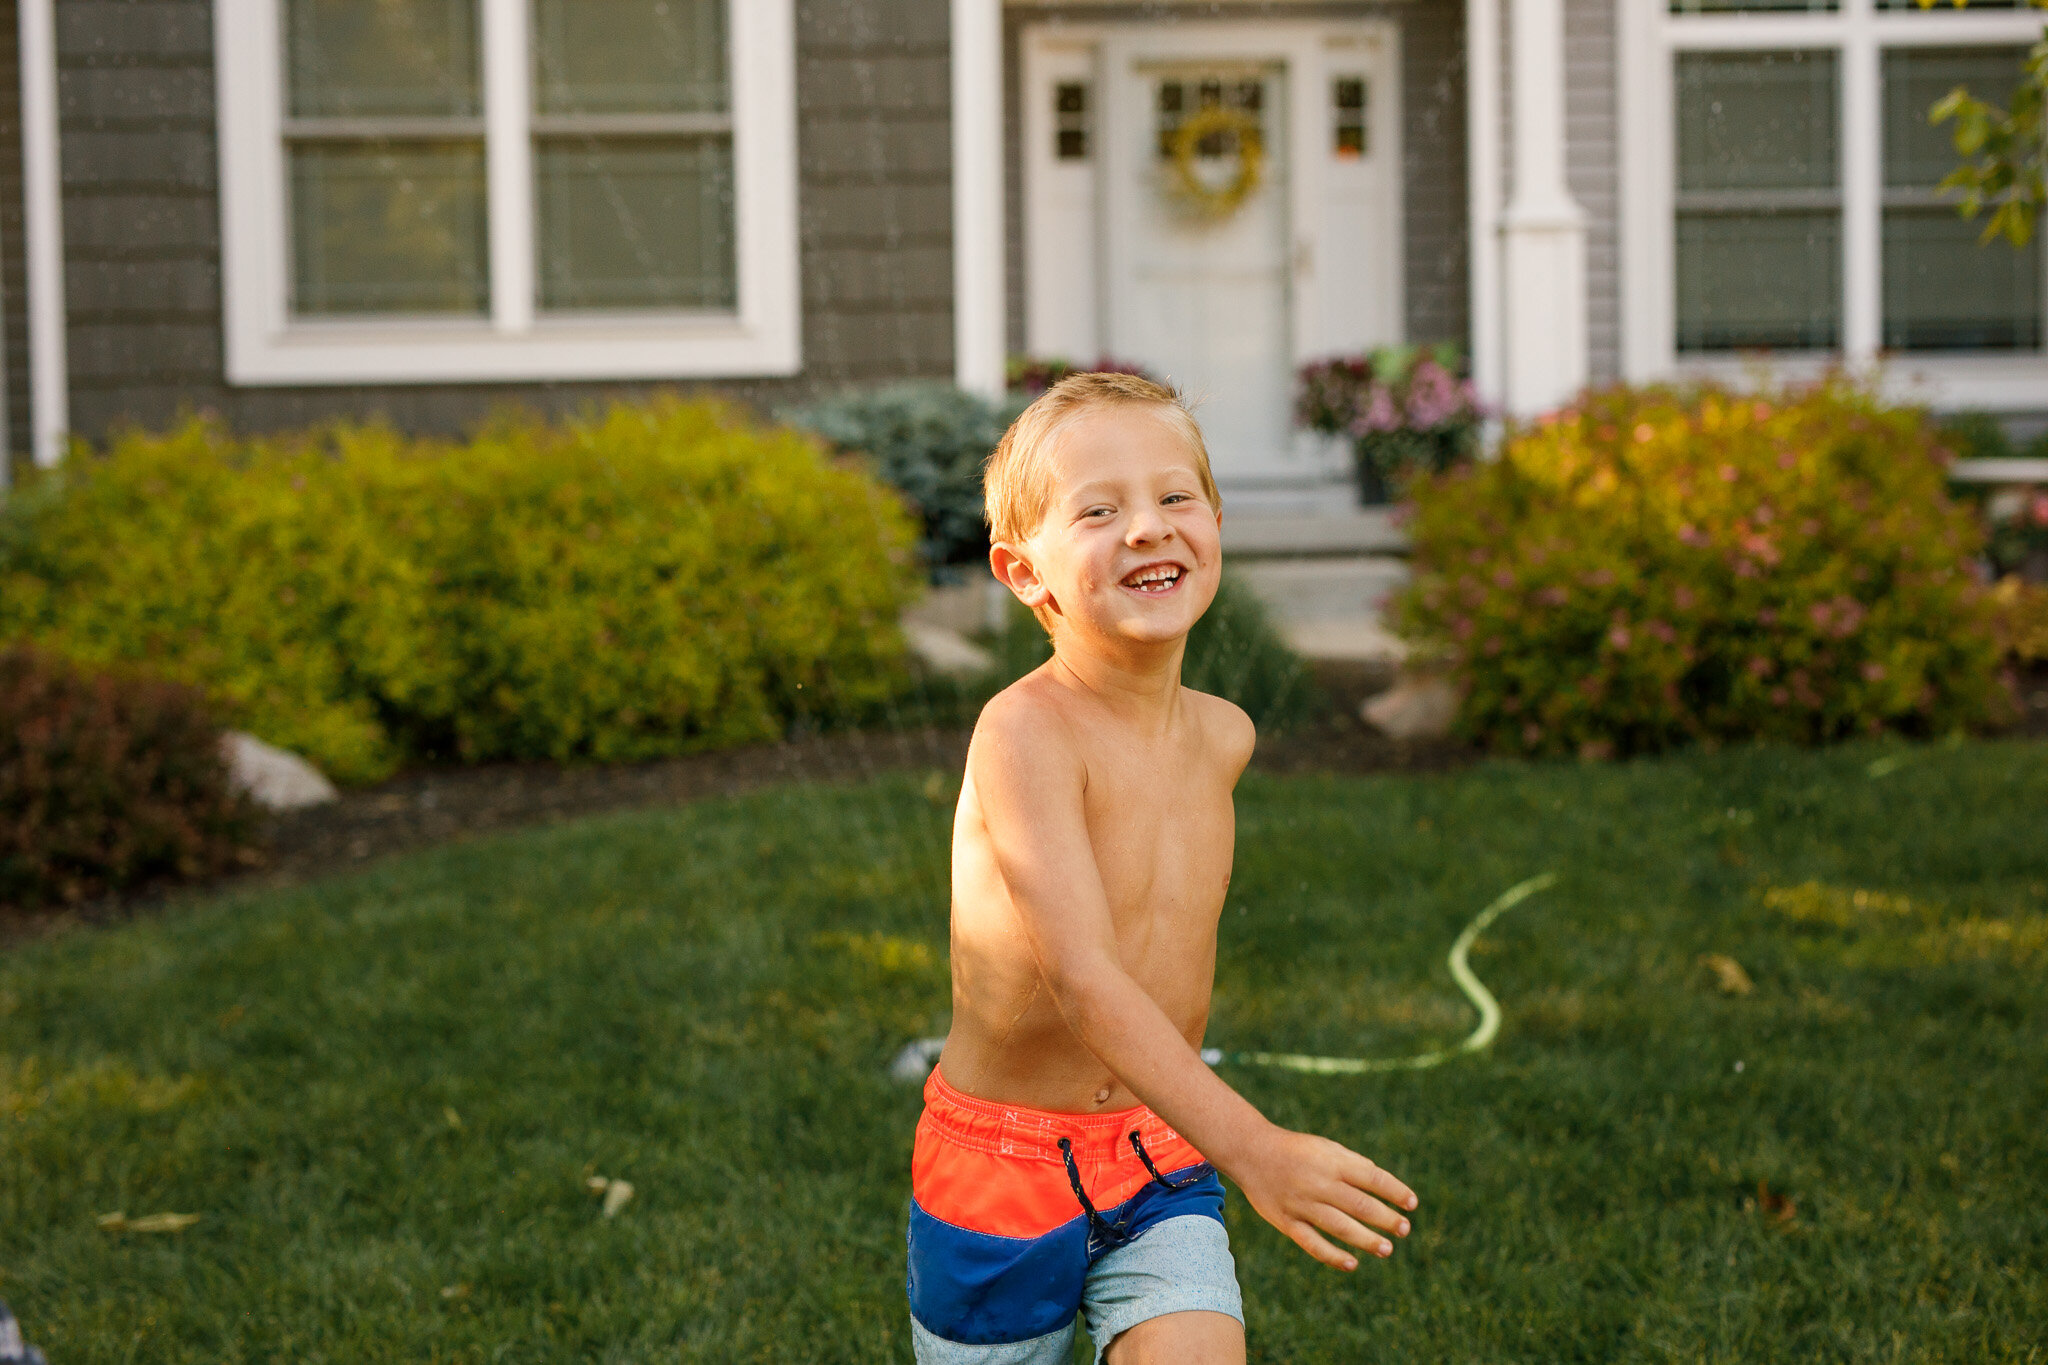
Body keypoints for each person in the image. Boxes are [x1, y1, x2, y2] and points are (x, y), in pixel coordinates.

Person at [906, 373, 1418, 1364]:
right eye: (1097, 510)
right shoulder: (1023, 735)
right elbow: (1086, 978)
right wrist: (1254, 1148)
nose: (1146, 527)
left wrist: (1203, 1139)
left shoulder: (1222, 737)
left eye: (1173, 497)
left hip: (1153, 1146)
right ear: (1023, 573)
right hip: (1001, 1168)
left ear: (1214, 521)